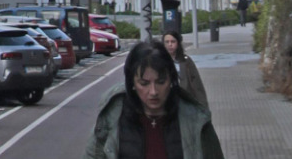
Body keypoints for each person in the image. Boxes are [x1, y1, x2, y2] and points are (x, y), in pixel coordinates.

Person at [84, 41, 224, 159]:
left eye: (161, 82)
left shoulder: (195, 119)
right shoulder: (112, 116)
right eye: (144, 84)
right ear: (132, 83)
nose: (153, 92)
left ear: (171, 80)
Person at [163, 30, 208, 109]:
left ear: (178, 43)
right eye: (167, 42)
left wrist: (203, 107)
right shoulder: (158, 61)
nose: (170, 44)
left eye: (173, 41)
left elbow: (197, 84)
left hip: (183, 103)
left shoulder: (186, 61)